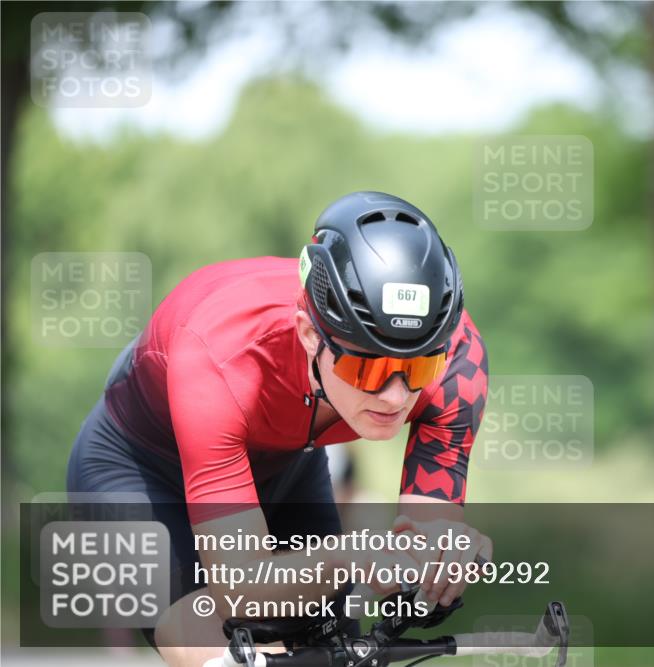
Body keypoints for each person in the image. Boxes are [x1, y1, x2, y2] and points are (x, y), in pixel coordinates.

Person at [66, 191, 491, 666]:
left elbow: (420, 564)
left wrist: (442, 566)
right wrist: (356, 556)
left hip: (284, 462)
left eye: (417, 369)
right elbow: (239, 592)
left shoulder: (457, 363)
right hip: (139, 468)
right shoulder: (221, 356)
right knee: (221, 647)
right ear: (311, 334)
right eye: (368, 370)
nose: (395, 396)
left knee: (336, 650)